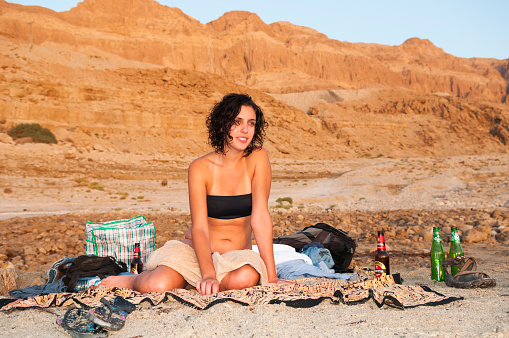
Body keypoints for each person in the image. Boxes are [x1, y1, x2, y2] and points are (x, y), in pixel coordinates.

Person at [100, 93, 292, 295]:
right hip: (196, 252)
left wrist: (272, 277)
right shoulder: (200, 168)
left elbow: (260, 217)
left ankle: (189, 282)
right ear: (222, 125)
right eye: (237, 122)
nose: (245, 129)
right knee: (154, 286)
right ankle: (133, 279)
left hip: (236, 258)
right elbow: (200, 227)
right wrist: (208, 274)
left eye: (251, 123)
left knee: (246, 278)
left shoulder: (258, 158)